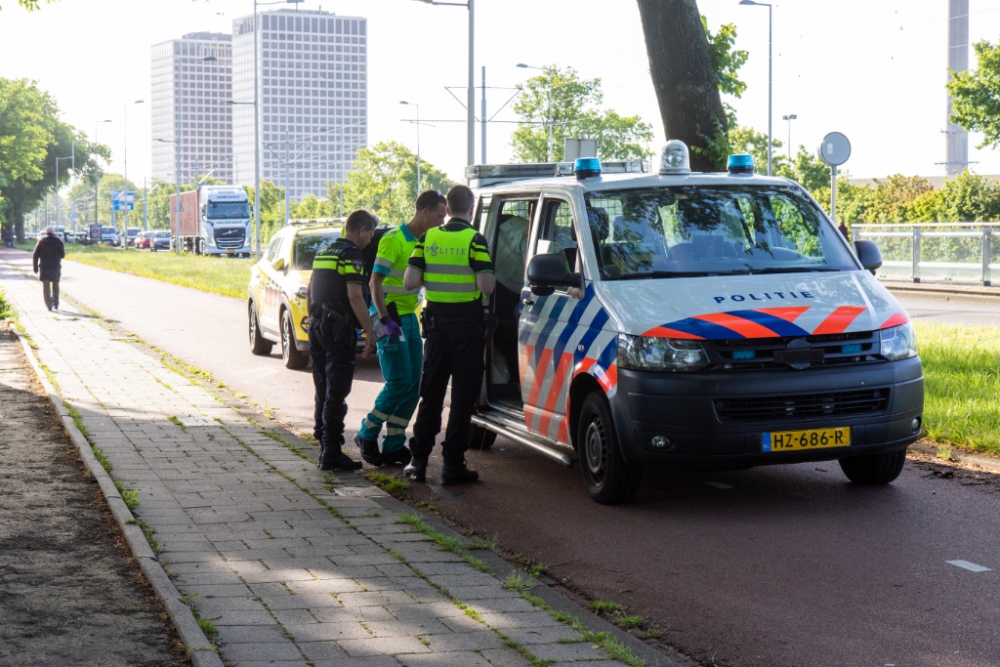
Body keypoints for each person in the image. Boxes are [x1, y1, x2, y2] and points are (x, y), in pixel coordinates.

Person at [402, 185, 495, 485]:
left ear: (448, 209)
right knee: (462, 398)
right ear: (470, 209)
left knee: (431, 395)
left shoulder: (428, 238)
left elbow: (409, 281)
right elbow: (487, 287)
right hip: (467, 330)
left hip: (437, 330)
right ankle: (452, 465)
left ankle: (418, 462)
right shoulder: (475, 240)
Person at [355, 190, 447, 467]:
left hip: (407, 317)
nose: (443, 221)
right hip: (389, 318)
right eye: (440, 216)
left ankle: (394, 444)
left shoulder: (427, 240)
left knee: (412, 385)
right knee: (398, 382)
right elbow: (375, 283)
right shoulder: (395, 239)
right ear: (424, 212)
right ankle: (366, 434)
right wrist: (384, 321)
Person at [307, 209, 378, 471]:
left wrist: (312, 319)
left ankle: (324, 442)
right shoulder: (352, 255)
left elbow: (311, 288)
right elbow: (355, 296)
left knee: (323, 387)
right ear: (361, 230)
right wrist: (369, 331)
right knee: (337, 391)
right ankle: (331, 454)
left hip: (317, 326)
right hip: (338, 330)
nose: (370, 239)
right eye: (369, 233)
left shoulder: (324, 252)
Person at [32, 226, 65, 311]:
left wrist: (35, 268)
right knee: (56, 286)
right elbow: (62, 255)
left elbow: (35, 255)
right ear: (54, 233)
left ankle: (49, 305)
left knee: (46, 287)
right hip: (55, 267)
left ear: (46, 233)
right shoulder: (58, 242)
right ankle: (56, 303)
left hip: (45, 268)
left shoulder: (41, 242)